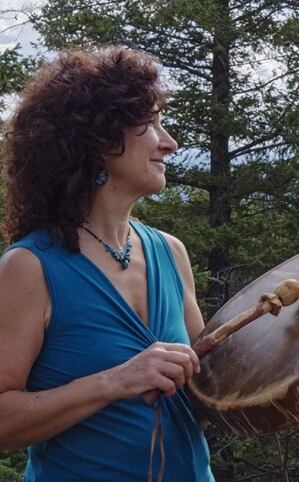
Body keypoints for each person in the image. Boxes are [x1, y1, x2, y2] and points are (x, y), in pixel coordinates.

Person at [0, 47, 214, 481]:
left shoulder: (170, 253)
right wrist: (115, 381)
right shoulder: (30, 267)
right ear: (97, 137)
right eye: (150, 123)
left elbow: (211, 389)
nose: (169, 142)